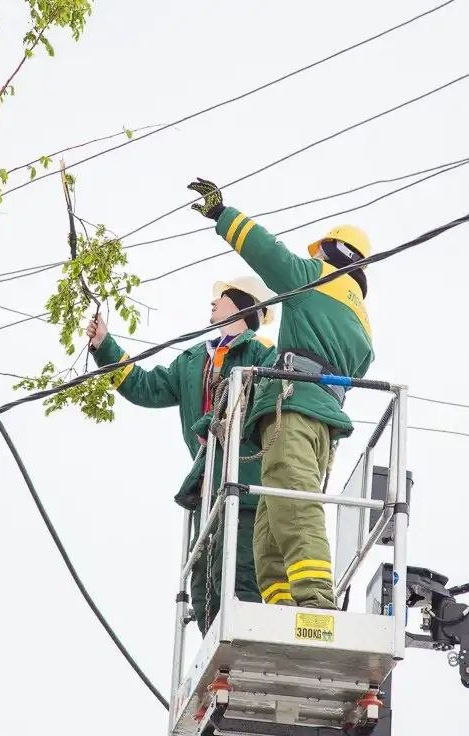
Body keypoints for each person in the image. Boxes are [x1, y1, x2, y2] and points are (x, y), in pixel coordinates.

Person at [186, 177, 373, 611]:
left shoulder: (317, 278)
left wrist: (221, 214)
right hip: (321, 423)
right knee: (270, 527)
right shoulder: (363, 321)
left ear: (334, 252)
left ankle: (316, 601)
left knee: (294, 511)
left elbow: (267, 254)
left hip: (294, 410)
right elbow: (359, 366)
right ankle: (282, 607)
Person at [86, 276, 277, 632]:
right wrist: (105, 346)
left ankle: (244, 643)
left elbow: (261, 401)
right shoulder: (192, 360)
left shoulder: (261, 352)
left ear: (242, 304)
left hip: (245, 480)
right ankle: (215, 651)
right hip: (207, 487)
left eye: (221, 297)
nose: (213, 302)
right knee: (202, 583)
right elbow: (146, 387)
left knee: (237, 571)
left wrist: (210, 423)